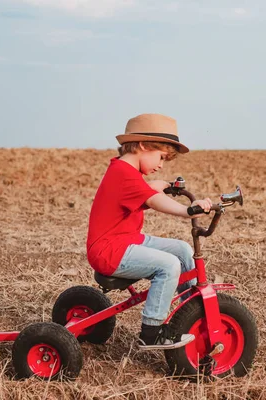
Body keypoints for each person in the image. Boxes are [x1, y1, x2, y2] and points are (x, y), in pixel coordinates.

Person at [87, 113, 213, 350]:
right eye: (161, 157)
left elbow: (144, 191)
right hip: (109, 250)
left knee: (182, 249)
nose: (161, 165)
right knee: (168, 265)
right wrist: (188, 211)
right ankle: (151, 332)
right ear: (143, 145)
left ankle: (191, 312)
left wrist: (160, 186)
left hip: (126, 241)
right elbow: (154, 200)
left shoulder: (127, 172)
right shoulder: (123, 174)